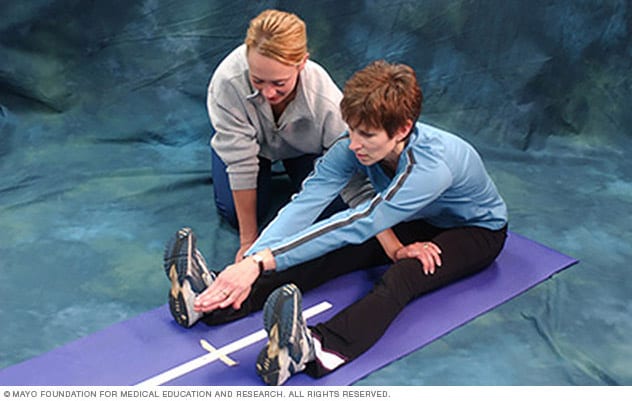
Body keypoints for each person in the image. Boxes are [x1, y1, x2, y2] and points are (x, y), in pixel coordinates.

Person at [164, 60, 508, 385]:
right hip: (420, 217)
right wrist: (254, 259)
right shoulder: (354, 146)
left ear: (402, 129)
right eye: (352, 130)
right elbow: (305, 204)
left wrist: (258, 262)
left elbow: (360, 220)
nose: (354, 145)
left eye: (367, 135)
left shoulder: (433, 167)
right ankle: (212, 303)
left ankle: (312, 349)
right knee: (334, 252)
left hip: (477, 231)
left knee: (404, 275)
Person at [207, 9, 366, 263]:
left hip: (304, 149)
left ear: (302, 63)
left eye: (279, 83)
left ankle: (294, 170)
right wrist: (248, 242)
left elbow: (348, 168)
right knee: (235, 215)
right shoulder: (227, 82)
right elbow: (241, 164)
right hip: (250, 149)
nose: (268, 93)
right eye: (258, 80)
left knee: (333, 209)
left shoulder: (324, 98)